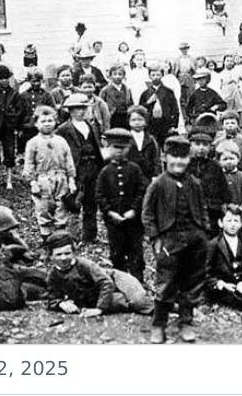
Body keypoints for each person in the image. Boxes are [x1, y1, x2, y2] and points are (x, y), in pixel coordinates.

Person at [142, 136, 211, 344]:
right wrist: (155, 239)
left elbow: (203, 208)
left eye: (183, 158)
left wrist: (204, 232)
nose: (179, 162)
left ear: (188, 159)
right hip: (169, 242)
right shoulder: (158, 184)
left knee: (191, 283)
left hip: (194, 240)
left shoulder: (194, 184)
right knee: (166, 285)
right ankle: (158, 324)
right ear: (165, 157)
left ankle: (186, 322)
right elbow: (147, 214)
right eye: (174, 157)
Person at [45, 233, 152, 316]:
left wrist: (99, 309)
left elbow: (106, 282)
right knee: (124, 305)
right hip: (97, 294)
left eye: (67, 253)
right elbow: (52, 297)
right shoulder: (53, 275)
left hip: (116, 280)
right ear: (51, 256)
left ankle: (161, 305)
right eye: (58, 255)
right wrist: (61, 303)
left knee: (140, 303)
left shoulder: (85, 265)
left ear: (73, 253)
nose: (63, 258)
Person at [95, 128, 148, 283]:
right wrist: (110, 212)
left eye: (122, 148)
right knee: (117, 252)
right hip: (114, 221)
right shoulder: (105, 171)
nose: (118, 151)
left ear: (128, 148)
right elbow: (99, 195)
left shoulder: (135, 169)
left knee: (136, 252)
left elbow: (141, 190)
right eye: (114, 148)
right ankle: (121, 282)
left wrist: (134, 210)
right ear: (108, 148)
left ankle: (138, 282)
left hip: (133, 221)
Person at [23, 105, 77, 242]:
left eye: (50, 121)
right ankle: (46, 240)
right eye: (43, 121)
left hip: (61, 178)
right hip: (43, 180)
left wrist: (71, 180)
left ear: (55, 122)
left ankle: (60, 240)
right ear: (36, 123)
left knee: (61, 207)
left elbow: (68, 161)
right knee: (44, 207)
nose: (47, 124)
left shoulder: (61, 141)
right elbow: (29, 164)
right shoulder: (33, 143)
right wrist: (32, 182)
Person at [56, 94, 105, 242]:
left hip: (93, 167)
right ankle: (73, 236)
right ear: (70, 110)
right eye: (78, 108)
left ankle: (90, 236)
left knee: (92, 202)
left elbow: (97, 146)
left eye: (84, 108)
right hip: (76, 168)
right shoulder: (63, 129)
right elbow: (60, 152)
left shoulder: (91, 126)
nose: (82, 111)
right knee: (74, 202)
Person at [0, 64, 27, 191]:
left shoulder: (14, 94)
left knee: (10, 153)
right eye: (1, 78)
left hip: (8, 128)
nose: (4, 81)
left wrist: (15, 123)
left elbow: (20, 111)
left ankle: (9, 180)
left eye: (6, 78)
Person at [217, 144, 242, 235]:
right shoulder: (216, 177)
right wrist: (220, 207)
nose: (229, 162)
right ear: (219, 161)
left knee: (241, 237)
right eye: (225, 159)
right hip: (222, 214)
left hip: (241, 215)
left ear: (238, 159)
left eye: (232, 158)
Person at [139, 62, 180, 148]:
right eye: (153, 75)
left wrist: (173, 125)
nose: (155, 77)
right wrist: (148, 103)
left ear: (162, 75)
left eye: (158, 75)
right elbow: (140, 111)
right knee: (153, 147)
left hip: (165, 125)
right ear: (149, 76)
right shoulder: (145, 94)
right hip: (151, 126)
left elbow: (175, 109)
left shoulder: (168, 92)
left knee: (166, 147)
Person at [19, 68, 56, 153]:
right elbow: (20, 111)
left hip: (42, 125)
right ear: (29, 81)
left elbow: (52, 110)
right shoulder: (23, 95)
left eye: (38, 81)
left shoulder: (47, 95)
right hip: (27, 126)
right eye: (34, 81)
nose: (36, 83)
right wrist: (20, 126)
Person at [126, 106, 162, 180]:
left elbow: (156, 160)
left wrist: (156, 176)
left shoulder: (151, 140)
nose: (137, 123)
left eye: (140, 120)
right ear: (129, 121)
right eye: (133, 120)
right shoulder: (126, 139)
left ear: (145, 121)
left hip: (148, 177)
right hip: (130, 177)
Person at [100, 64, 134, 129]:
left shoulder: (127, 90)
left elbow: (131, 104)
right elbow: (101, 106)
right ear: (110, 76)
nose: (117, 77)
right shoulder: (105, 90)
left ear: (123, 76)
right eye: (115, 74)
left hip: (125, 117)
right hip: (112, 117)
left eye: (120, 74)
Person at [171, 42, 196, 121]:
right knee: (181, 98)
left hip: (189, 79)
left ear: (188, 49)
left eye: (185, 48)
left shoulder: (192, 59)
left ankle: (191, 116)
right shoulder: (177, 60)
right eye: (182, 49)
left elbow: (195, 71)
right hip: (180, 79)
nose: (184, 50)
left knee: (190, 98)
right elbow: (174, 72)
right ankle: (184, 117)